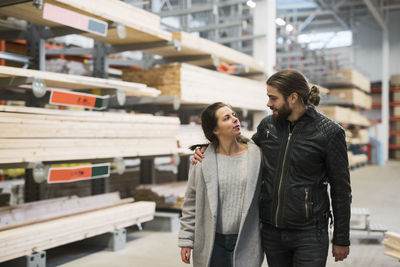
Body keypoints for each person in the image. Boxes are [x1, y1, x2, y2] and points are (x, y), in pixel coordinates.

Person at [192, 69, 352, 267]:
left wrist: (341, 237)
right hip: (272, 232)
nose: (268, 104)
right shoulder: (268, 127)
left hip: (310, 233)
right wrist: (210, 148)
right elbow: (244, 149)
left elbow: (341, 190)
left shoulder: (329, 133)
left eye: (273, 98)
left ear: (293, 98)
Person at [178, 102, 264, 267]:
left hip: (246, 238)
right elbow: (191, 202)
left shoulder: (256, 156)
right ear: (215, 130)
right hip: (213, 240)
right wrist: (186, 239)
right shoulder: (202, 159)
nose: (234, 120)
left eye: (234, 115)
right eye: (226, 118)